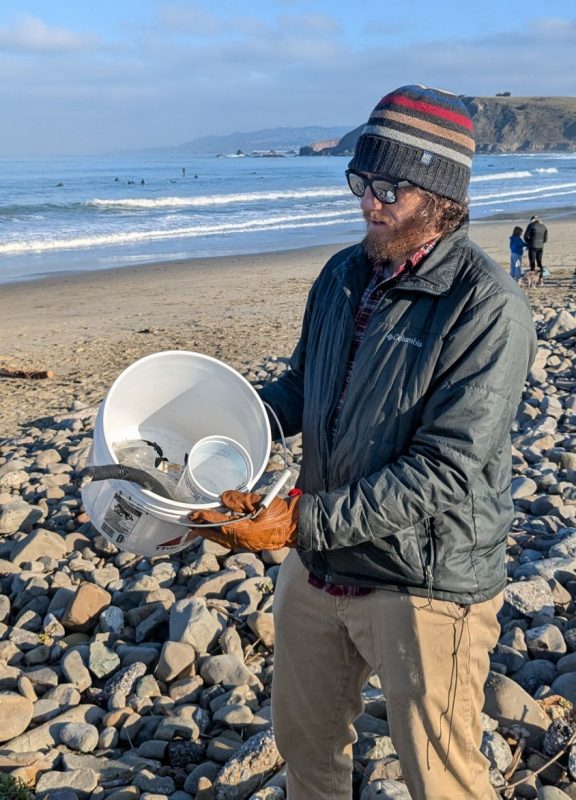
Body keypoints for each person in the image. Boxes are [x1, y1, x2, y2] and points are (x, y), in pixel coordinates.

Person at [189, 85, 537, 800]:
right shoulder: (344, 274)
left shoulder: (487, 306)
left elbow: (448, 468)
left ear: (442, 198)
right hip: (319, 568)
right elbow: (300, 388)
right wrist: (215, 420)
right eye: (362, 180)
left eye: (390, 187)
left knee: (443, 780)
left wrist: (297, 520)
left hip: (424, 582)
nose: (368, 201)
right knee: (306, 751)